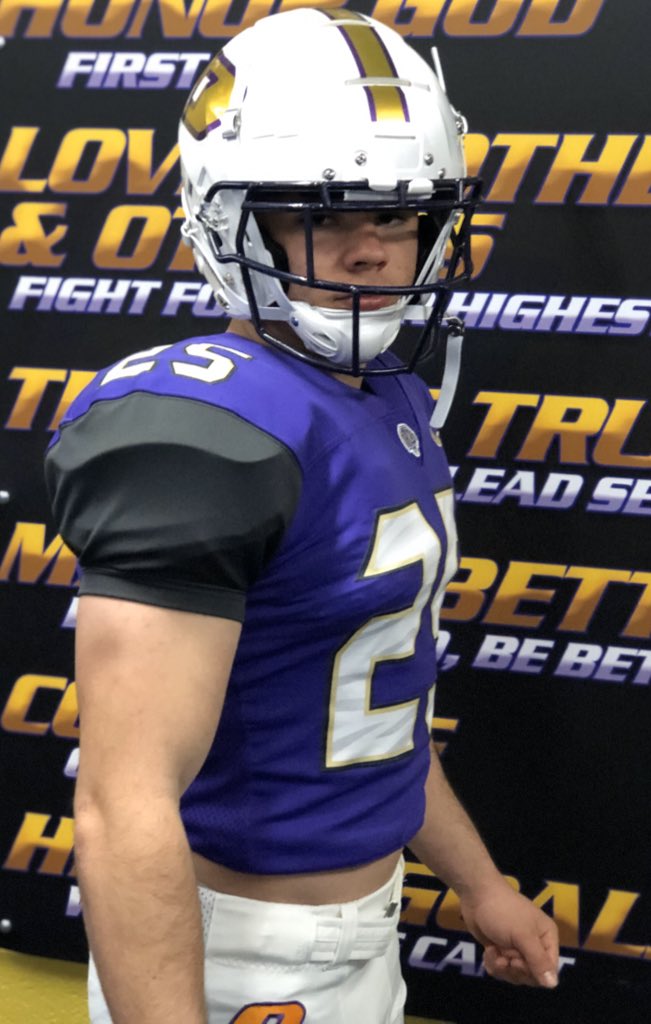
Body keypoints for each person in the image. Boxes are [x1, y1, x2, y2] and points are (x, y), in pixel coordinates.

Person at [45, 8, 559, 1023]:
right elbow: (121, 805)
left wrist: (480, 883)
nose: (371, 252)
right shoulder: (200, 431)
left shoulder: (390, 394)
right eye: (321, 213)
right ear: (230, 220)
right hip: (232, 956)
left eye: (398, 215)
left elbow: (372, 710)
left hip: (364, 930)